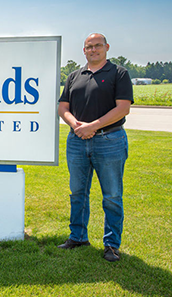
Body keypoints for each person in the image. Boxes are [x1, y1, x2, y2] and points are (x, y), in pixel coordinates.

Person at [57, 33, 133, 262]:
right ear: (84, 50)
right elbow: (63, 107)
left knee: (111, 195)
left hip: (109, 140)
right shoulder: (74, 76)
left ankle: (111, 245)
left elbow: (123, 108)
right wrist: (75, 124)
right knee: (78, 192)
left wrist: (93, 126)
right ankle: (78, 236)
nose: (93, 50)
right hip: (77, 141)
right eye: (89, 47)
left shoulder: (119, 74)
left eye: (97, 46)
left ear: (107, 47)